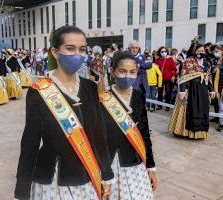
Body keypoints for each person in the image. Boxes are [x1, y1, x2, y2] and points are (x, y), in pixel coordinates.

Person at [14, 25, 114, 200]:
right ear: (55, 52)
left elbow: (99, 135)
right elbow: (30, 144)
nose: (77, 54)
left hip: (87, 176)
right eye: (70, 48)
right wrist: (21, 191)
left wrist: (106, 174)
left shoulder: (90, 87)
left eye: (82, 49)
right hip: (52, 181)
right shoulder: (39, 91)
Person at [99, 51, 157, 200]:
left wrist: (151, 167)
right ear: (112, 71)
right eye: (122, 71)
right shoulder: (103, 98)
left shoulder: (138, 96)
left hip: (135, 162)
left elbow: (144, 133)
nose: (127, 76)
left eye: (132, 72)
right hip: (111, 164)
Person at [169, 43, 216, 139]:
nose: (201, 52)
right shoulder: (189, 61)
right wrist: (182, 91)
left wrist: (211, 90)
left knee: (201, 111)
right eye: (199, 51)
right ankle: (186, 132)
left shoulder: (207, 63)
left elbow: (209, 77)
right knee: (188, 110)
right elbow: (184, 76)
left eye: (202, 51)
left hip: (202, 91)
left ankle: (200, 133)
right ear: (195, 51)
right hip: (190, 90)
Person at [155, 46, 177, 111]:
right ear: (159, 52)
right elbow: (155, 69)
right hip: (160, 79)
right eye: (162, 51)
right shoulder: (158, 60)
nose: (163, 52)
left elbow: (174, 69)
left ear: (167, 52)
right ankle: (159, 105)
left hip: (168, 79)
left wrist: (173, 76)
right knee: (159, 92)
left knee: (168, 92)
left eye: (165, 51)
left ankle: (167, 106)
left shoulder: (170, 59)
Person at [214, 54, 223, 132]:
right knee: (222, 109)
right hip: (222, 92)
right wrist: (216, 91)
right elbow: (216, 81)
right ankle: (221, 124)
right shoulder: (220, 69)